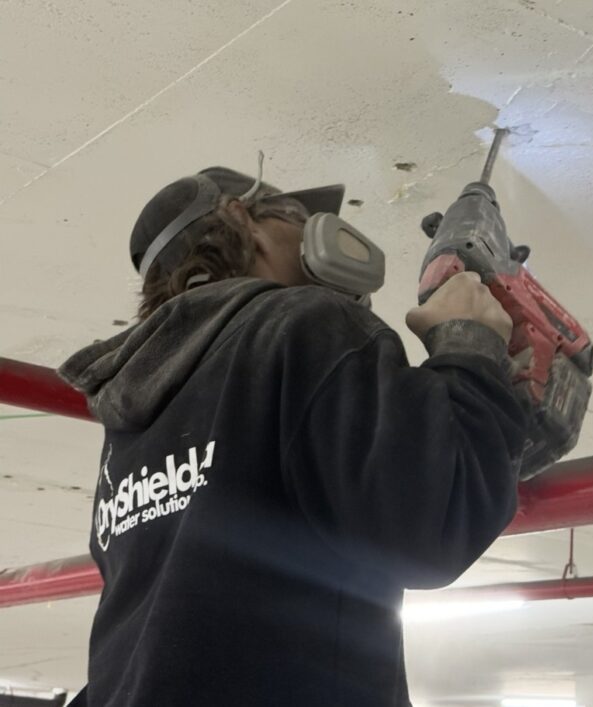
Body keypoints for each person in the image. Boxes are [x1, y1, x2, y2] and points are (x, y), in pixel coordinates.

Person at [58, 164, 528, 706]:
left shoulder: (127, 419)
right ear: (243, 219)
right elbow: (437, 519)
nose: (310, 230)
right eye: (295, 218)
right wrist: (469, 349)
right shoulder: (302, 323)